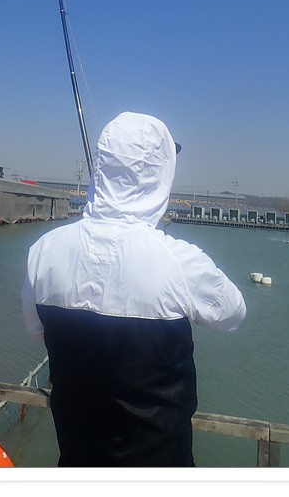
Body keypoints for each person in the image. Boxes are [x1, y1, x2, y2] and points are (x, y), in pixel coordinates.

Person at [21, 111, 246, 467]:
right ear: (161, 175)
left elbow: (37, 332)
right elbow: (232, 315)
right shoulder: (180, 260)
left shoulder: (43, 251)